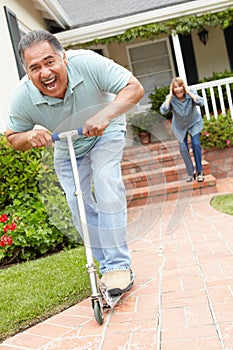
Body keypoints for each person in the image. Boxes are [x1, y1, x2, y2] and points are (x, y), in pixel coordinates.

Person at [5, 29, 144, 296]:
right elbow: (13, 138)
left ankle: (119, 265)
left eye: (49, 62)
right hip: (68, 142)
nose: (44, 72)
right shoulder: (23, 96)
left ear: (63, 58)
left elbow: (133, 88)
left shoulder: (88, 63)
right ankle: (107, 267)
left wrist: (105, 115)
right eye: (35, 68)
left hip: (106, 129)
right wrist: (29, 135)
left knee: (106, 182)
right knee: (76, 201)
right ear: (27, 72)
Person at [160, 77, 205, 182]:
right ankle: (191, 173)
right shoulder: (171, 98)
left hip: (194, 123)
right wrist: (170, 97)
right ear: (172, 89)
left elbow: (201, 102)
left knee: (196, 144)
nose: (178, 89)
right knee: (183, 149)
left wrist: (189, 92)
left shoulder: (190, 94)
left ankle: (200, 172)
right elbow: (163, 111)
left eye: (180, 86)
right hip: (179, 127)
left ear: (183, 86)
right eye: (175, 87)